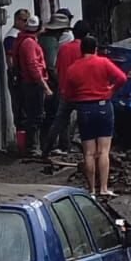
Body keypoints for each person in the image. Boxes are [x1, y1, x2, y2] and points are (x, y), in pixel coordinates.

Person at [62, 36, 125, 196]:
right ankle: (103, 188)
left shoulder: (73, 68)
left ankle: (91, 190)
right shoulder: (103, 62)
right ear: (95, 48)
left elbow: (67, 93)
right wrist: (110, 90)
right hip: (103, 106)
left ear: (81, 49)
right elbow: (122, 78)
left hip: (84, 109)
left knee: (88, 152)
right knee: (104, 151)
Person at [44, 20, 90, 158]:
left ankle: (53, 147)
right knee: (84, 121)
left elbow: (56, 68)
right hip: (81, 92)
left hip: (64, 89)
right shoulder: (86, 49)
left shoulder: (64, 48)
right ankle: (80, 147)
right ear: (87, 34)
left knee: (60, 121)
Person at [13, 15, 52, 155]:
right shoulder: (29, 43)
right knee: (35, 116)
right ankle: (33, 147)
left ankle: (34, 146)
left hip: (30, 82)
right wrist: (45, 86)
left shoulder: (25, 40)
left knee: (34, 115)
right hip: (32, 84)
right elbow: (33, 67)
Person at [38, 12, 71, 155]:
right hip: (51, 82)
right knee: (54, 114)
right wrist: (59, 81)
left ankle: (48, 144)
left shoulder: (44, 39)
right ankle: (48, 145)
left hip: (45, 81)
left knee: (51, 115)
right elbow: (51, 66)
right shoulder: (51, 42)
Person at [3, 8, 31, 128]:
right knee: (19, 106)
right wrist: (14, 74)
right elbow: (10, 59)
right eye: (25, 20)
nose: (26, 24)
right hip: (16, 74)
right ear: (17, 20)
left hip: (24, 73)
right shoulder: (11, 37)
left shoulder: (22, 36)